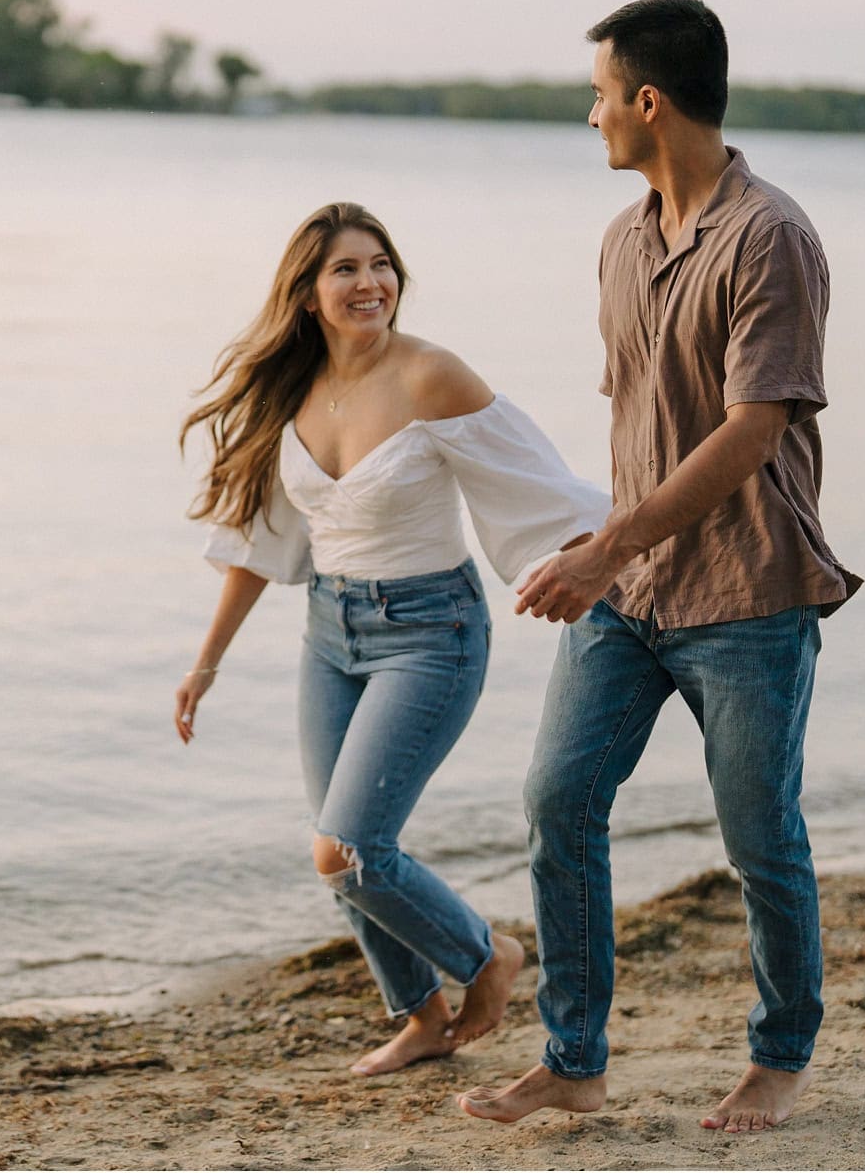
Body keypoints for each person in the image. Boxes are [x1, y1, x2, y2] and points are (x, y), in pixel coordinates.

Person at [459, 0, 862, 1133]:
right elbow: (635, 404)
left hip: (745, 593)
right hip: (628, 593)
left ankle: (779, 1053)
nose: (587, 117)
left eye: (598, 95)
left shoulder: (767, 236)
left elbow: (748, 429)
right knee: (557, 799)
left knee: (756, 836)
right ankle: (573, 1057)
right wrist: (582, 540)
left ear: (647, 101)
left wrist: (606, 546)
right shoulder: (622, 238)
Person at [174, 202, 610, 1078]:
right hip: (330, 634)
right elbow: (261, 542)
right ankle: (421, 1016)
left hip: (431, 634)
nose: (369, 282)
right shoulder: (290, 391)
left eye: (381, 264)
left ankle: (489, 957)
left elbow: (535, 480)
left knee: (351, 847)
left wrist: (612, 561)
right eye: (345, 268)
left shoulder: (430, 377)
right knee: (334, 850)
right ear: (306, 293)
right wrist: (204, 664)